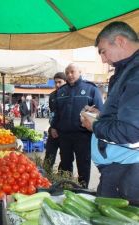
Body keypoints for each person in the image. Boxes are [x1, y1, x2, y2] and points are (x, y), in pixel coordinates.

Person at [81, 21, 139, 203]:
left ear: (120, 41)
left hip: (128, 171)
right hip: (121, 169)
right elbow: (125, 114)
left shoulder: (136, 73)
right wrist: (102, 114)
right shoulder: (127, 71)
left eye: (103, 51)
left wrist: (96, 126)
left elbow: (131, 132)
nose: (103, 60)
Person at [51, 63, 103, 188]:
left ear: (79, 72)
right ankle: (66, 187)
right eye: (67, 72)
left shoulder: (91, 89)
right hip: (65, 136)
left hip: (83, 136)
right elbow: (56, 113)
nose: (69, 75)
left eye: (72, 72)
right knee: (65, 163)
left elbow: (100, 111)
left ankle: (83, 190)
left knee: (83, 165)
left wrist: (93, 114)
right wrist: (53, 126)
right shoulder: (61, 91)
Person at [43, 72, 66, 173]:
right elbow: (52, 113)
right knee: (49, 154)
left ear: (65, 82)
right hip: (53, 129)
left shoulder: (69, 94)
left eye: (60, 82)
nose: (57, 85)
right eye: (55, 82)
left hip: (65, 131)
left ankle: (62, 178)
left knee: (65, 157)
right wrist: (53, 127)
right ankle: (46, 175)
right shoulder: (52, 95)